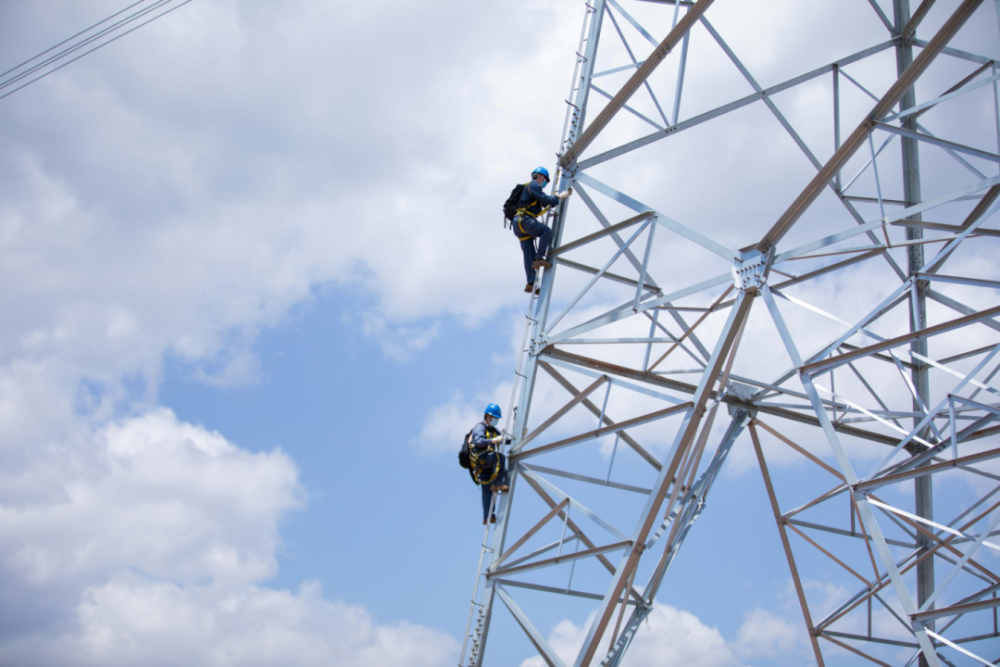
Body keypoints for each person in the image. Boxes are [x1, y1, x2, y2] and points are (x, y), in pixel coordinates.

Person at [512, 167, 573, 293]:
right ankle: (539, 258)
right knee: (546, 231)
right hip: (524, 220)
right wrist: (560, 196)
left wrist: (554, 199)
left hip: (518, 224)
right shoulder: (533, 185)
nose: (545, 182)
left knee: (528, 253)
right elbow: (547, 200)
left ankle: (531, 283)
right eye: (545, 179)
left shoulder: (529, 189)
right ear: (540, 176)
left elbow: (546, 203)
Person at [469, 403, 510, 525]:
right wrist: (492, 441)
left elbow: (502, 440)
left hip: (487, 461)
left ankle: (488, 516)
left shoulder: (493, 430)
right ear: (488, 416)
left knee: (487, 489)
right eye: (495, 418)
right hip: (481, 458)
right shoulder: (479, 427)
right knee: (500, 457)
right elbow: (479, 441)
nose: (496, 420)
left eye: (497, 418)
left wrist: (511, 439)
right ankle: (498, 483)